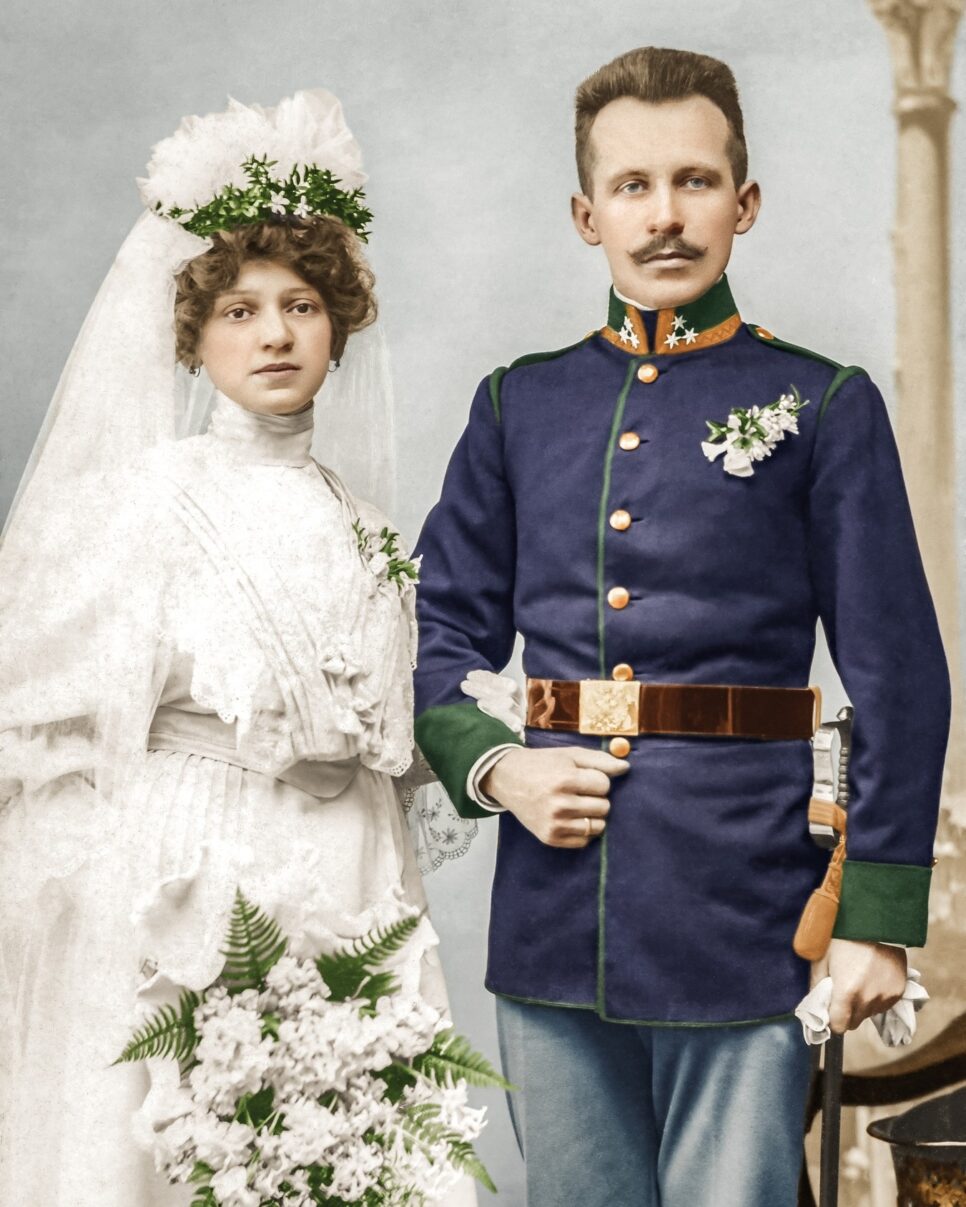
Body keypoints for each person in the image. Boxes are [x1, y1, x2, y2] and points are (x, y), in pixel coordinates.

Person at [412, 46, 950, 1206]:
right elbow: (436, 639)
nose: (665, 216)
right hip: (555, 921)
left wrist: (875, 919)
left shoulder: (824, 404)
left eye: (695, 182)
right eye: (633, 186)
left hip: (746, 914)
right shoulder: (519, 406)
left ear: (743, 203)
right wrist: (501, 767)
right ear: (587, 214)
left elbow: (902, 676)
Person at [0, 91, 477, 1205]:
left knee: (349, 1147)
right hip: (191, 870)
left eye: (302, 305)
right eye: (241, 309)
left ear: (337, 327)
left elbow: (389, 735)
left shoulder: (362, 523)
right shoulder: (145, 502)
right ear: (195, 334)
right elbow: (40, 720)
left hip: (348, 870)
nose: (275, 335)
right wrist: (104, 895)